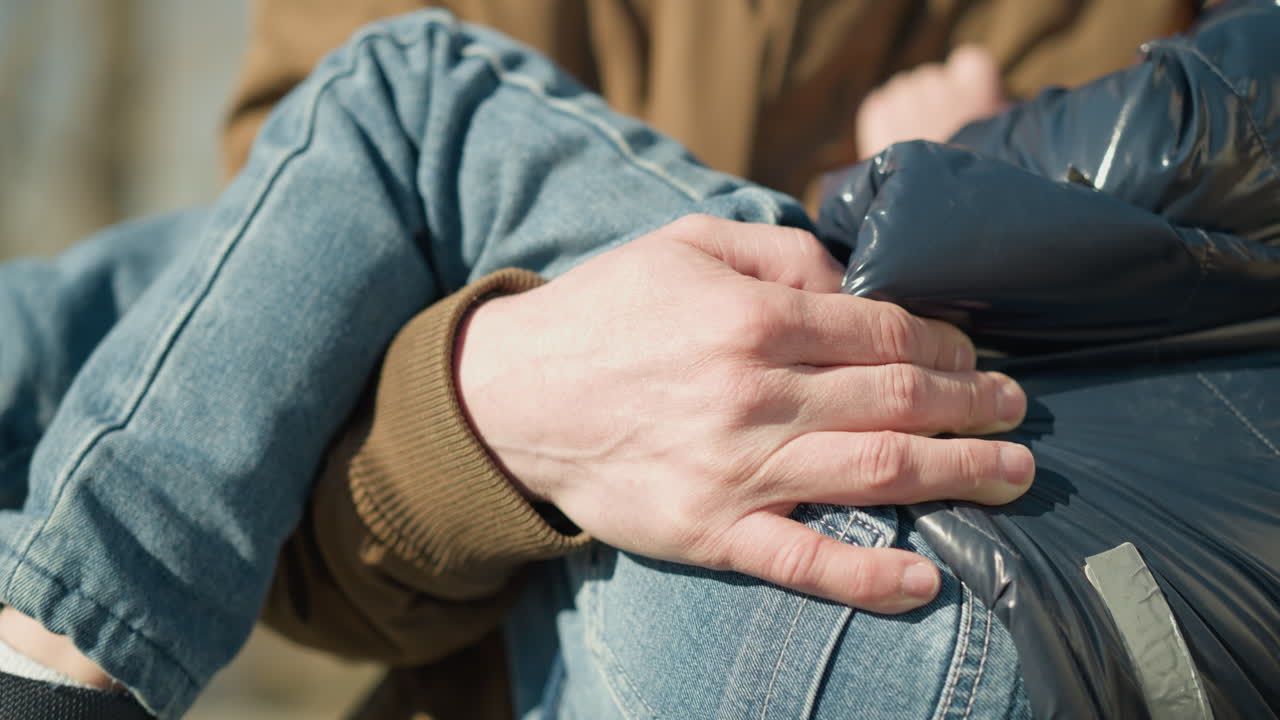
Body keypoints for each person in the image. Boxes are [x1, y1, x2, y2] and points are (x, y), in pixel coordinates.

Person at [0, 9, 1047, 719]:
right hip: (993, 623)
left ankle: (55, 657)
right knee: (170, 280)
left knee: (405, 92)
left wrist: (977, 194)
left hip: (877, 598)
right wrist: (493, 403)